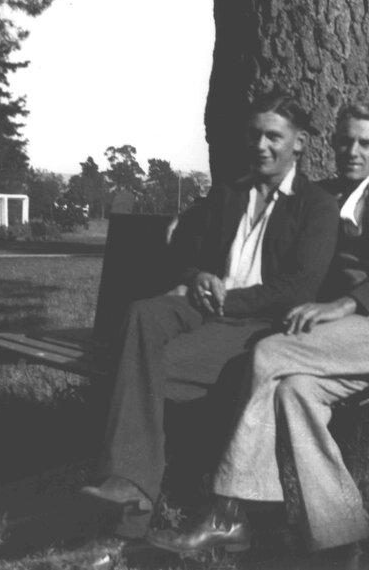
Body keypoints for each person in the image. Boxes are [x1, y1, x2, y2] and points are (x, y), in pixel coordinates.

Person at [148, 102, 369, 557]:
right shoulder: (322, 197)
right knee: (295, 392)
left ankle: (229, 515)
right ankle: (341, 539)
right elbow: (247, 205)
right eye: (345, 141)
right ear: (331, 144)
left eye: (366, 143)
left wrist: (346, 304)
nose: (353, 151)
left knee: (270, 354)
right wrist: (189, 220)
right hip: (341, 339)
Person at [81, 92, 340, 539]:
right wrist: (198, 274)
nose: (261, 145)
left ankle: (132, 500)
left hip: (256, 322)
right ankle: (128, 482)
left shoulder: (315, 206)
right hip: (204, 306)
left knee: (144, 372)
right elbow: (182, 255)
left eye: (273, 136)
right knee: (142, 313)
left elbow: (299, 289)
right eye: (255, 134)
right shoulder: (229, 192)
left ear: (298, 143)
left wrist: (227, 302)